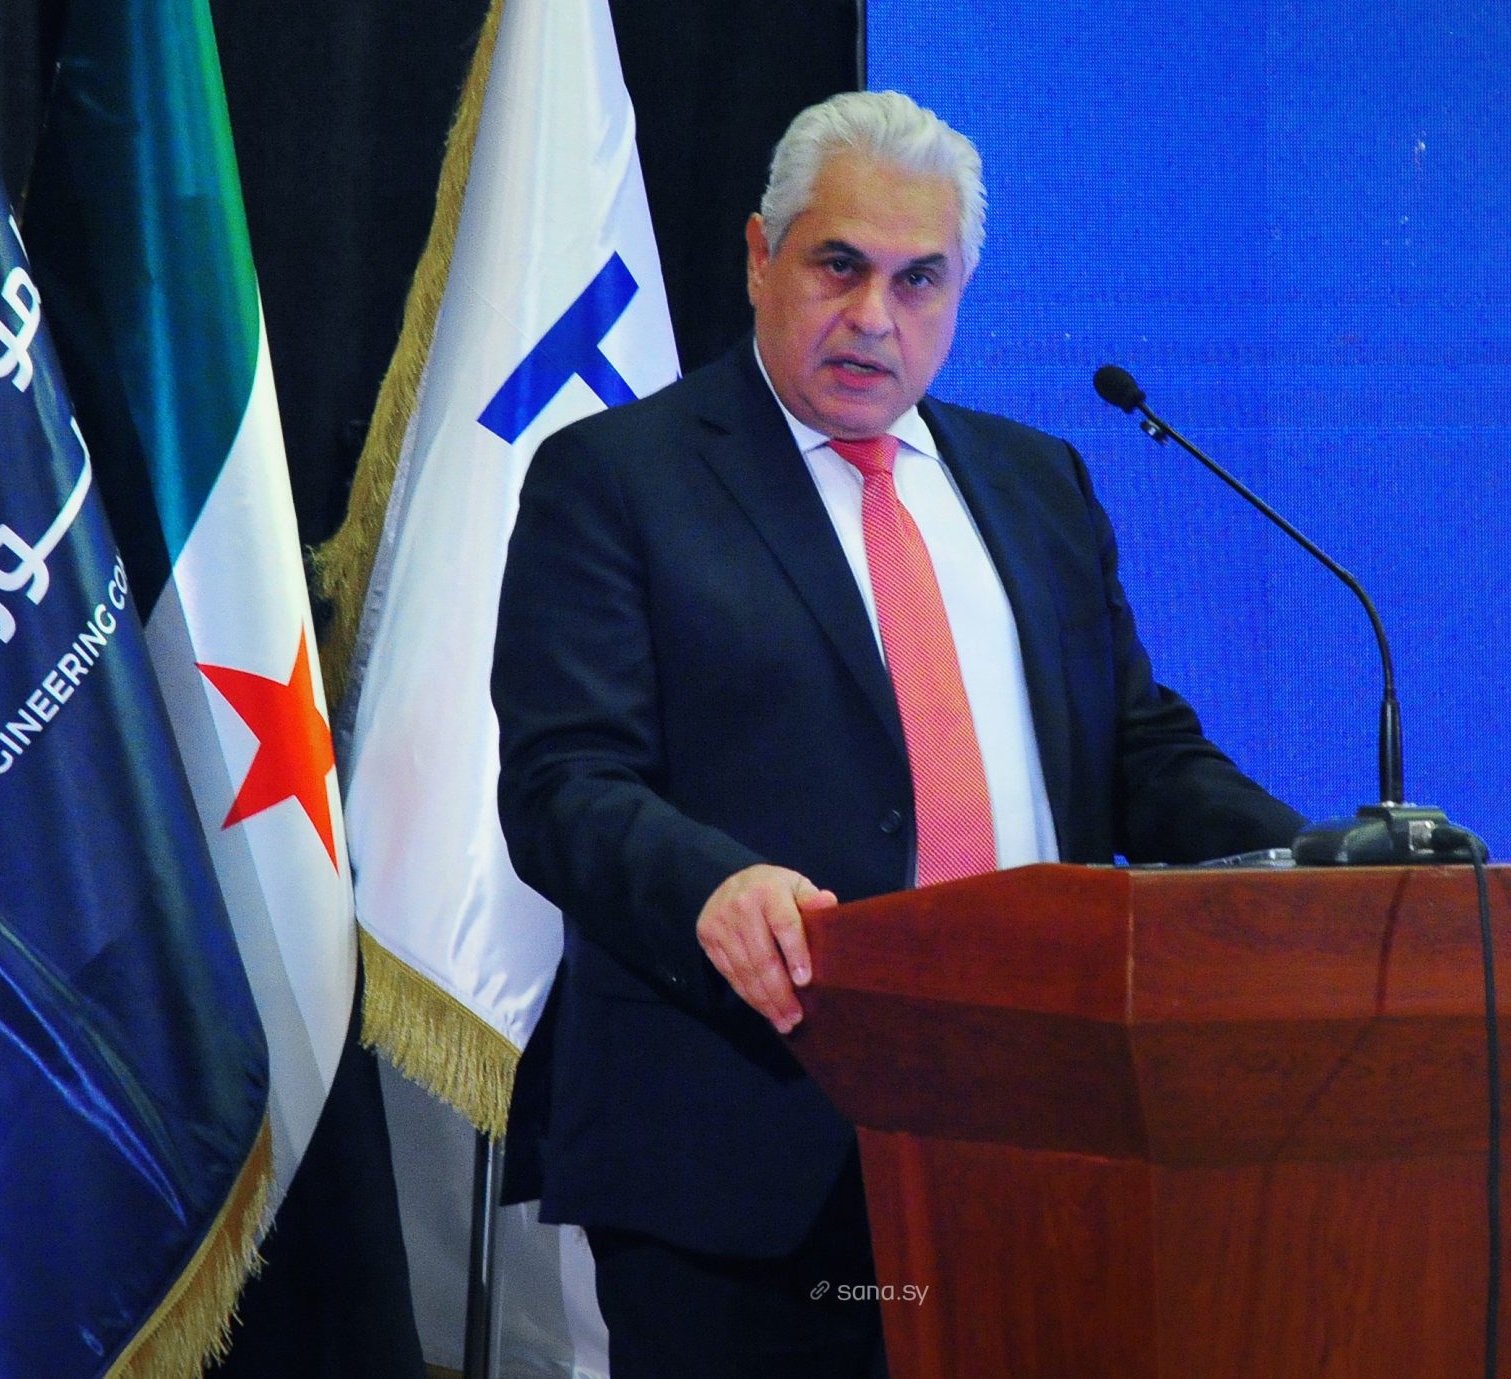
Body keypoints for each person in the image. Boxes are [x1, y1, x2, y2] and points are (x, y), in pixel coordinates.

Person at [496, 90, 1302, 1377]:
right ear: (760, 256)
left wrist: (1319, 867)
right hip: (747, 1152)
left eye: (919, 279)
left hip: (1036, 1135)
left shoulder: (1036, 481)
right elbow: (563, 782)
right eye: (839, 266)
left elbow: (1131, 748)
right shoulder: (618, 478)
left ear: (960, 290)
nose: (876, 316)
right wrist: (711, 887)